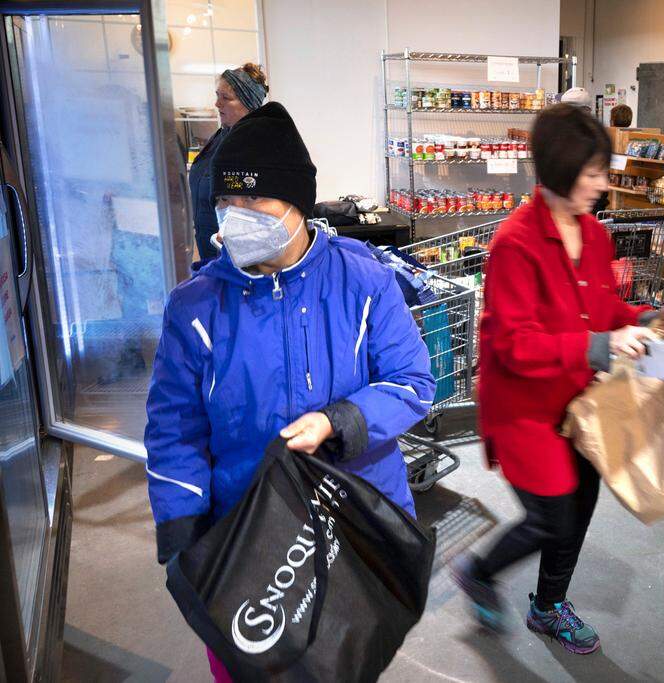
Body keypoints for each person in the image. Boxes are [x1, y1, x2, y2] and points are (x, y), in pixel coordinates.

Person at [144, 102, 435, 680]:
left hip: (353, 524)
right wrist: (187, 543)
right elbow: (174, 430)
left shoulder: (366, 280)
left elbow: (412, 383)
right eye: (228, 201)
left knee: (343, 657)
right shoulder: (195, 307)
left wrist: (341, 420)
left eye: (256, 201)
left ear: (298, 204)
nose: (237, 216)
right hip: (248, 535)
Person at [452, 104, 664, 654]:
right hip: (523, 406)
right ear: (561, 171)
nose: (604, 185)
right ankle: (480, 571)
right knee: (552, 513)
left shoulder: (596, 237)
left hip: (580, 401)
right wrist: (600, 346)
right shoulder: (515, 243)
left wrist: (652, 319)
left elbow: (603, 310)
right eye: (593, 174)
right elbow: (513, 345)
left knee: (579, 506)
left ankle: (547, 606)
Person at [188, 63, 268, 261]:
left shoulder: (254, 142)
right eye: (217, 95)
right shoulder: (222, 135)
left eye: (226, 98)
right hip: (210, 246)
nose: (217, 104)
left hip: (235, 252)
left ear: (248, 104)